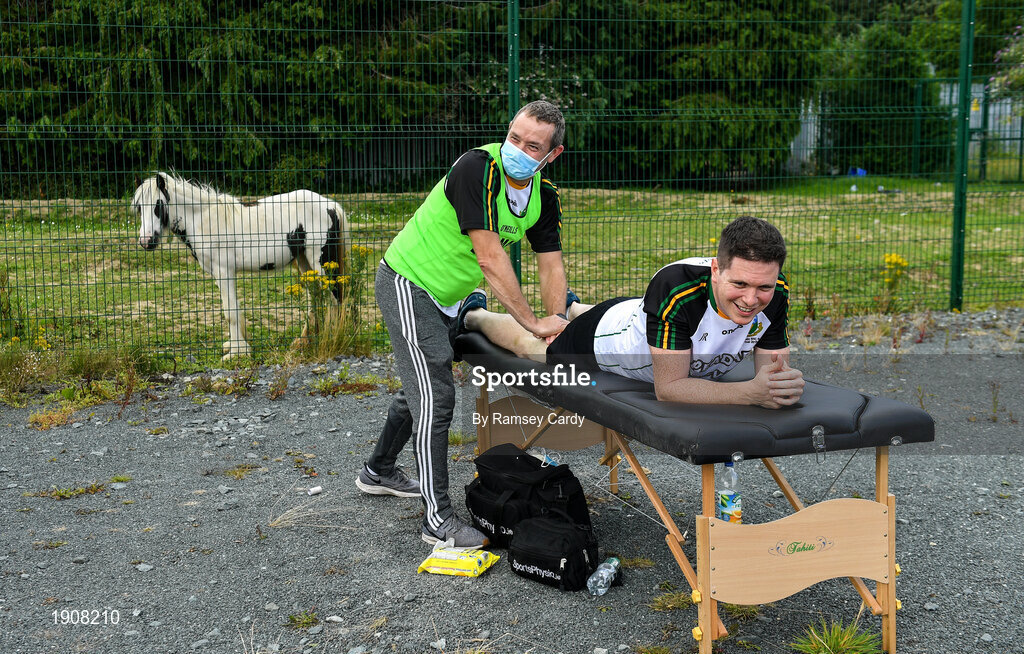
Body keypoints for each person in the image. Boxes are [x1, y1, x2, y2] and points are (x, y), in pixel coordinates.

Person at [357, 101, 572, 548]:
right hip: (408, 282)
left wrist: (555, 323)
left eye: (532, 145)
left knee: (418, 387)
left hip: (452, 297)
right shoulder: (476, 168)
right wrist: (530, 322)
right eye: (514, 137)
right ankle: (437, 520)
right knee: (436, 395)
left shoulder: (543, 197)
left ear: (552, 155)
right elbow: (490, 258)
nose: (517, 148)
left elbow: (550, 265)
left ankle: (377, 471)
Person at [462, 216, 805, 408]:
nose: (751, 298)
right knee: (536, 346)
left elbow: (773, 379)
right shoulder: (678, 289)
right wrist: (749, 392)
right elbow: (669, 388)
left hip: (642, 318)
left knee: (637, 317)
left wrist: (778, 386)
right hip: (604, 340)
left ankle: (570, 304)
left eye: (764, 287)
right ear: (716, 269)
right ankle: (473, 314)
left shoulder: (775, 291)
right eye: (740, 285)